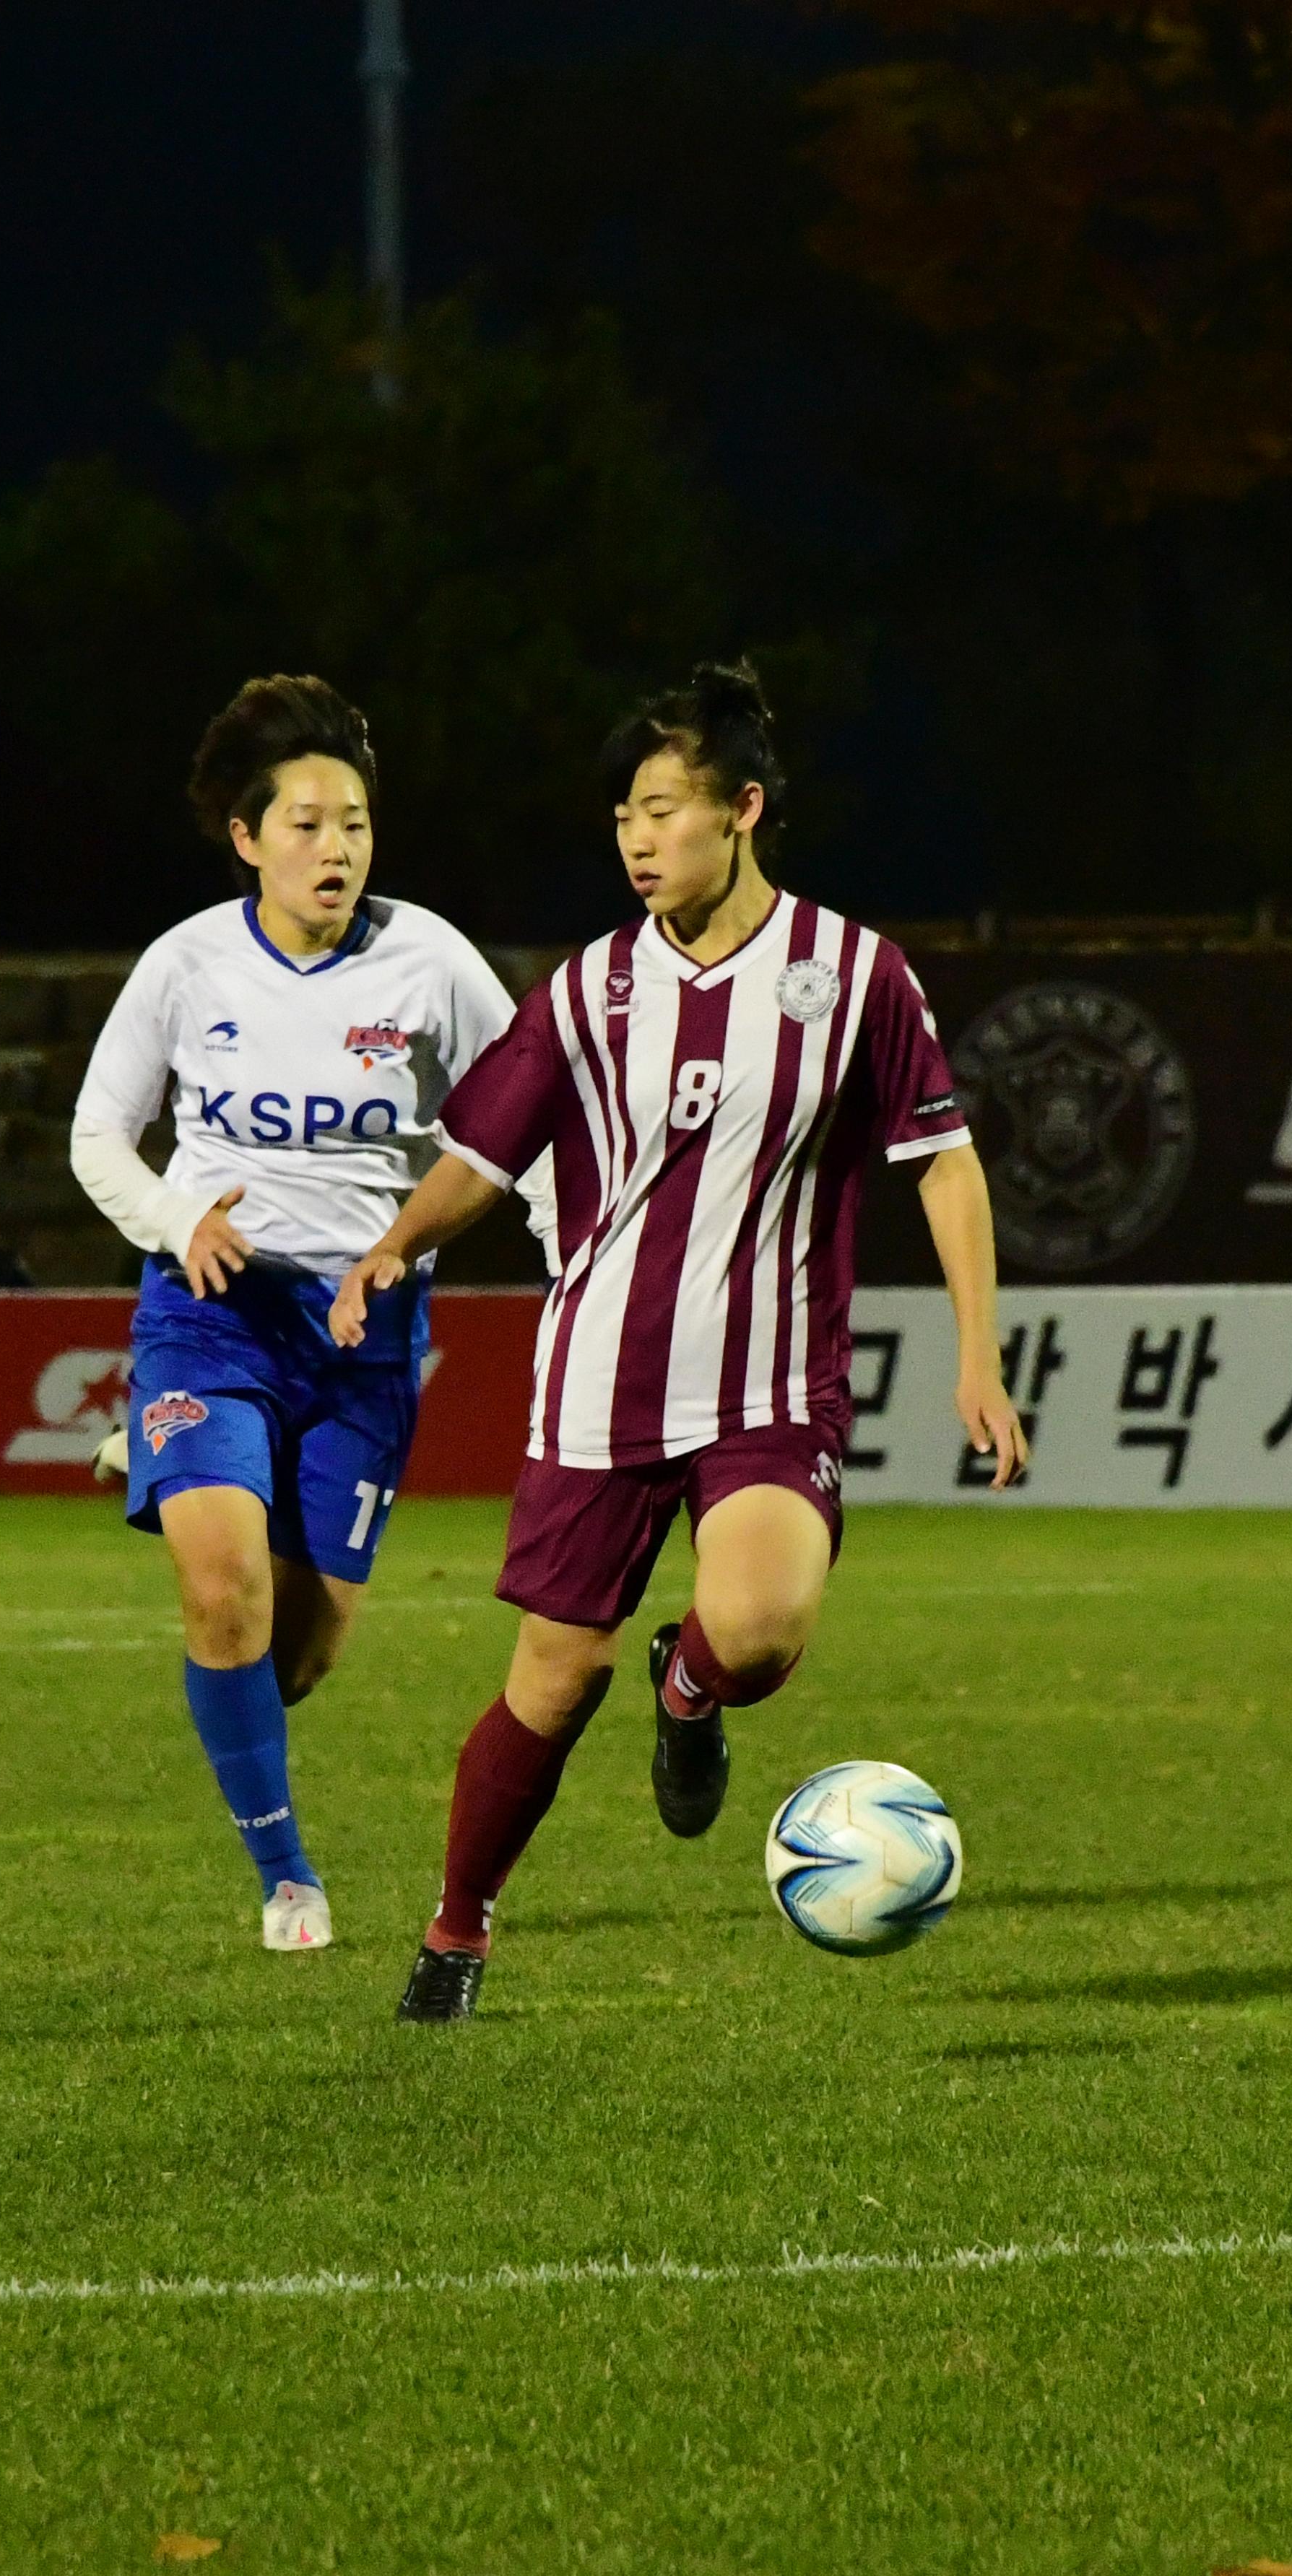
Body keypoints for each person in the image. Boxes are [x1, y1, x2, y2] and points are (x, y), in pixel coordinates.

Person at [329, 661, 1027, 2024]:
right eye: (621, 818)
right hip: (598, 1381)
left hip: (769, 1385)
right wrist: (397, 1241)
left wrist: (977, 1356)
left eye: (661, 809)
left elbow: (942, 1163)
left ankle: (694, 1686)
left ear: (744, 809)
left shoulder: (854, 975)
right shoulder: (589, 991)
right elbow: (482, 1152)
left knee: (759, 1628)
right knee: (554, 1676)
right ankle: (459, 1927)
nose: (637, 840)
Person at [67, 675, 522, 1951]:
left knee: (298, 1655)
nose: (338, 848)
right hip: (211, 1311)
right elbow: (99, 1137)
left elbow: (521, 1123)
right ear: (247, 838)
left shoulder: (431, 962)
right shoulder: (187, 962)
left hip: (364, 1335)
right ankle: (287, 1876)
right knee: (223, 1599)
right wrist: (176, 1221)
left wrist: (566, 1243)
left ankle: (159, 1460)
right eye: (310, 824)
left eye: (357, 825)